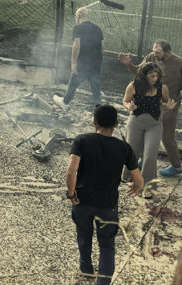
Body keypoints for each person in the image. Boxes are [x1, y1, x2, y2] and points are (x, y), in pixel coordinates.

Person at [66, 104, 143, 285]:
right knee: (107, 246)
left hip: (82, 202)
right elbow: (138, 180)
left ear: (94, 122)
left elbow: (71, 172)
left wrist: (71, 195)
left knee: (84, 236)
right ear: (116, 124)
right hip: (107, 206)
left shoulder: (82, 141)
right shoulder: (124, 148)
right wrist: (136, 187)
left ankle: (86, 268)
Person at [118, 40, 182, 177]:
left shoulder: (179, 63)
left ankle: (176, 166)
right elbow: (139, 72)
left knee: (167, 136)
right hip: (150, 100)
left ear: (168, 52)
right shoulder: (151, 57)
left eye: (158, 52)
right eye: (154, 50)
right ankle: (142, 160)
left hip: (169, 103)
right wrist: (129, 64)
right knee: (142, 131)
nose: (154, 54)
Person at [121, 62, 176, 198]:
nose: (155, 78)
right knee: (132, 151)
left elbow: (165, 101)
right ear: (144, 75)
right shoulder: (133, 85)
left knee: (150, 155)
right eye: (152, 76)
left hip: (155, 124)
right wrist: (129, 106)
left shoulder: (162, 87)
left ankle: (148, 187)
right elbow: (125, 101)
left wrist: (168, 105)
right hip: (135, 122)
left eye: (157, 75)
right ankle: (128, 176)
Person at [53, 7, 104, 109]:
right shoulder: (97, 28)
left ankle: (65, 102)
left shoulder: (78, 28)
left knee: (73, 83)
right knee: (96, 90)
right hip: (96, 63)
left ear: (78, 16)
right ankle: (99, 110)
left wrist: (73, 63)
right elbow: (103, 46)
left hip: (83, 63)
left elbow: (77, 45)